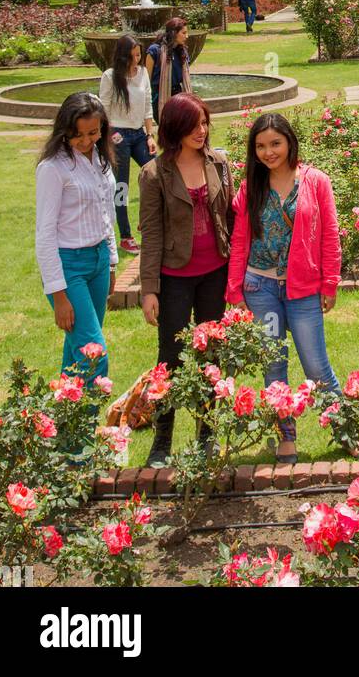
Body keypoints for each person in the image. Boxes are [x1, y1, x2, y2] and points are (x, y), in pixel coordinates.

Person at [226, 113, 342, 465]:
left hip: (303, 289)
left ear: (290, 142)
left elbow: (330, 235)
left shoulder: (315, 181)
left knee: (316, 368)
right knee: (274, 366)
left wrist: (330, 282)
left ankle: (346, 429)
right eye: (260, 146)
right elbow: (241, 239)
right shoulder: (251, 186)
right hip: (260, 288)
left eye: (275, 143)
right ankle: (285, 436)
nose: (268, 152)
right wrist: (235, 291)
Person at [138, 93, 234, 467]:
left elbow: (230, 217)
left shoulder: (219, 163)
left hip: (215, 274)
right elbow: (152, 234)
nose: (202, 131)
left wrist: (236, 275)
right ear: (174, 128)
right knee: (171, 360)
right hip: (174, 277)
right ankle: (162, 443)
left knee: (211, 357)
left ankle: (206, 436)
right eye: (194, 124)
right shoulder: (153, 174)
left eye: (205, 123)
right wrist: (149, 289)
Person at [35, 92, 118, 386]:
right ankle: (85, 429)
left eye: (93, 133)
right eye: (77, 134)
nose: (85, 141)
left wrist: (111, 262)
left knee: (75, 354)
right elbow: (44, 235)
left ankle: (62, 428)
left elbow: (106, 211)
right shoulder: (53, 169)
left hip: (97, 262)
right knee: (94, 355)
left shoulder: (99, 159)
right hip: (69, 267)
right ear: (64, 130)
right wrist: (58, 294)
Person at [99, 34, 156, 254]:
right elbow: (103, 107)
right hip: (117, 133)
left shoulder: (142, 73)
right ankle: (125, 235)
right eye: (132, 56)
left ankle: (149, 222)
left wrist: (150, 135)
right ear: (123, 56)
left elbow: (148, 106)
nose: (136, 60)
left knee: (157, 172)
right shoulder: (110, 76)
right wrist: (109, 134)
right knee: (121, 186)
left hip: (139, 134)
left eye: (138, 55)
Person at [144, 16, 191, 122]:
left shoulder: (182, 52)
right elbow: (146, 80)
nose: (186, 36)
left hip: (178, 96)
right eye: (183, 33)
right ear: (174, 33)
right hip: (159, 96)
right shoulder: (154, 51)